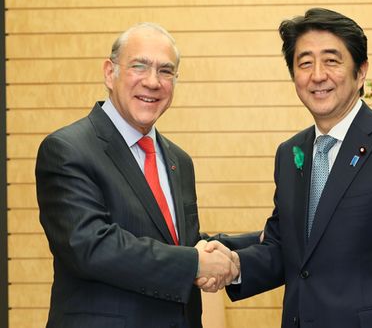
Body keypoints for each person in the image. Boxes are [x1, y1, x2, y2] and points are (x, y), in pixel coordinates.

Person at [223, 8, 372, 328]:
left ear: (361, 72)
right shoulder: (290, 154)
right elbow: (286, 249)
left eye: (331, 60)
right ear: (294, 76)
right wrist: (232, 264)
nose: (317, 75)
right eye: (305, 62)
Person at [36, 22, 251, 328]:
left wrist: (262, 241)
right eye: (140, 66)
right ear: (110, 73)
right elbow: (91, 246)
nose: (153, 82)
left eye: (166, 71)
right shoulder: (67, 149)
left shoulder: (179, 160)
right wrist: (195, 263)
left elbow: (178, 245)